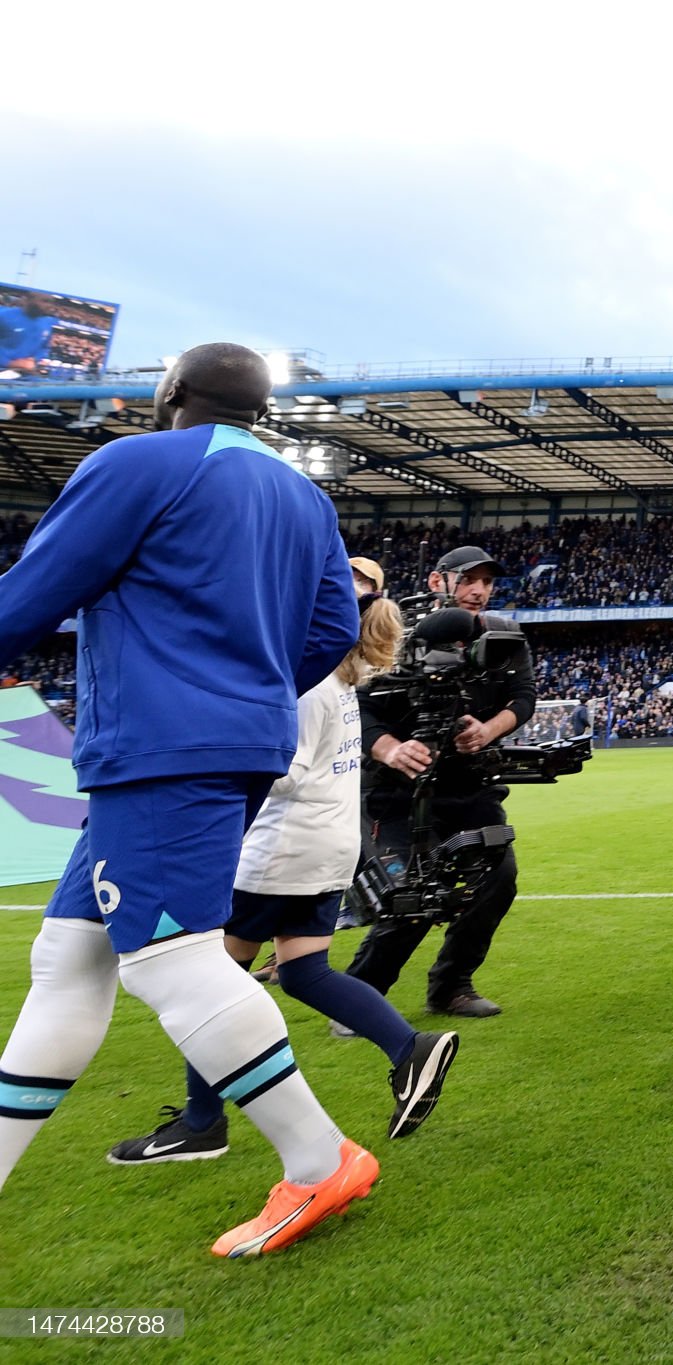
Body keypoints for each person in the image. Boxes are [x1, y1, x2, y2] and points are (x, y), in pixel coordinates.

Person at [0, 342, 377, 1257]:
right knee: (70, 957)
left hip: (157, 747)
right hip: (230, 744)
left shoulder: (135, 461)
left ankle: (319, 1158)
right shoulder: (303, 494)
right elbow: (334, 627)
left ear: (168, 392)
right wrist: (243, 692)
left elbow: (30, 598)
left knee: (169, 961)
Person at [108, 565, 460, 1162]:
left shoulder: (303, 683)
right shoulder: (340, 675)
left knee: (208, 985)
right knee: (302, 972)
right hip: (324, 847)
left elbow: (283, 771)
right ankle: (410, 1049)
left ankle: (200, 1125)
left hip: (281, 851)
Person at [342, 546, 534, 1019]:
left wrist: (488, 730)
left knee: (498, 879)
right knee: (411, 893)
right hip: (397, 793)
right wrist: (389, 747)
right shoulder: (391, 629)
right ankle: (358, 998)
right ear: (436, 582)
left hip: (470, 788)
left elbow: (523, 696)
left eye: (487, 582)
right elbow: (353, 702)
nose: (479, 590)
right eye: (469, 579)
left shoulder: (504, 635)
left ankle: (452, 987)